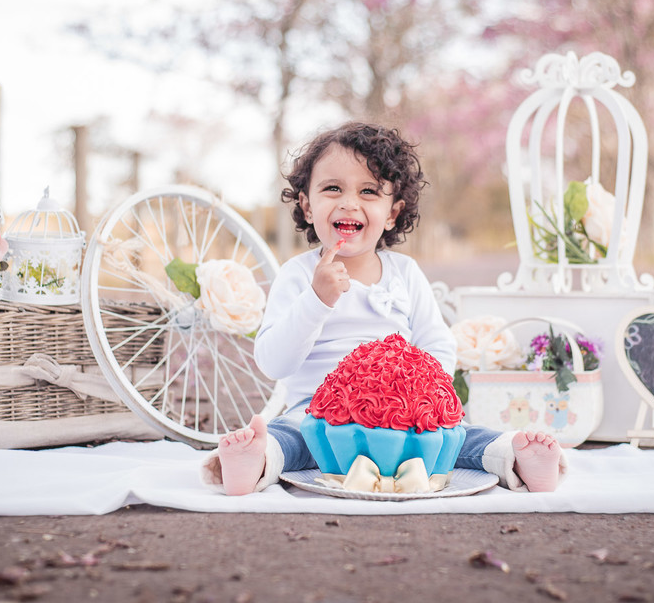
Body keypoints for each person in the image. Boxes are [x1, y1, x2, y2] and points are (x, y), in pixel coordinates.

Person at [200, 122, 565, 495]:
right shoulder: (297, 276)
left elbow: (437, 344)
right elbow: (273, 362)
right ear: (307, 206)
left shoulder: (403, 273)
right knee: (290, 437)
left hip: (405, 412)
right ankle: (258, 458)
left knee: (459, 438)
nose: (349, 202)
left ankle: (513, 455)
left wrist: (420, 392)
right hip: (321, 412)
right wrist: (317, 299)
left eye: (369, 191)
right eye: (332, 188)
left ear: (392, 213)